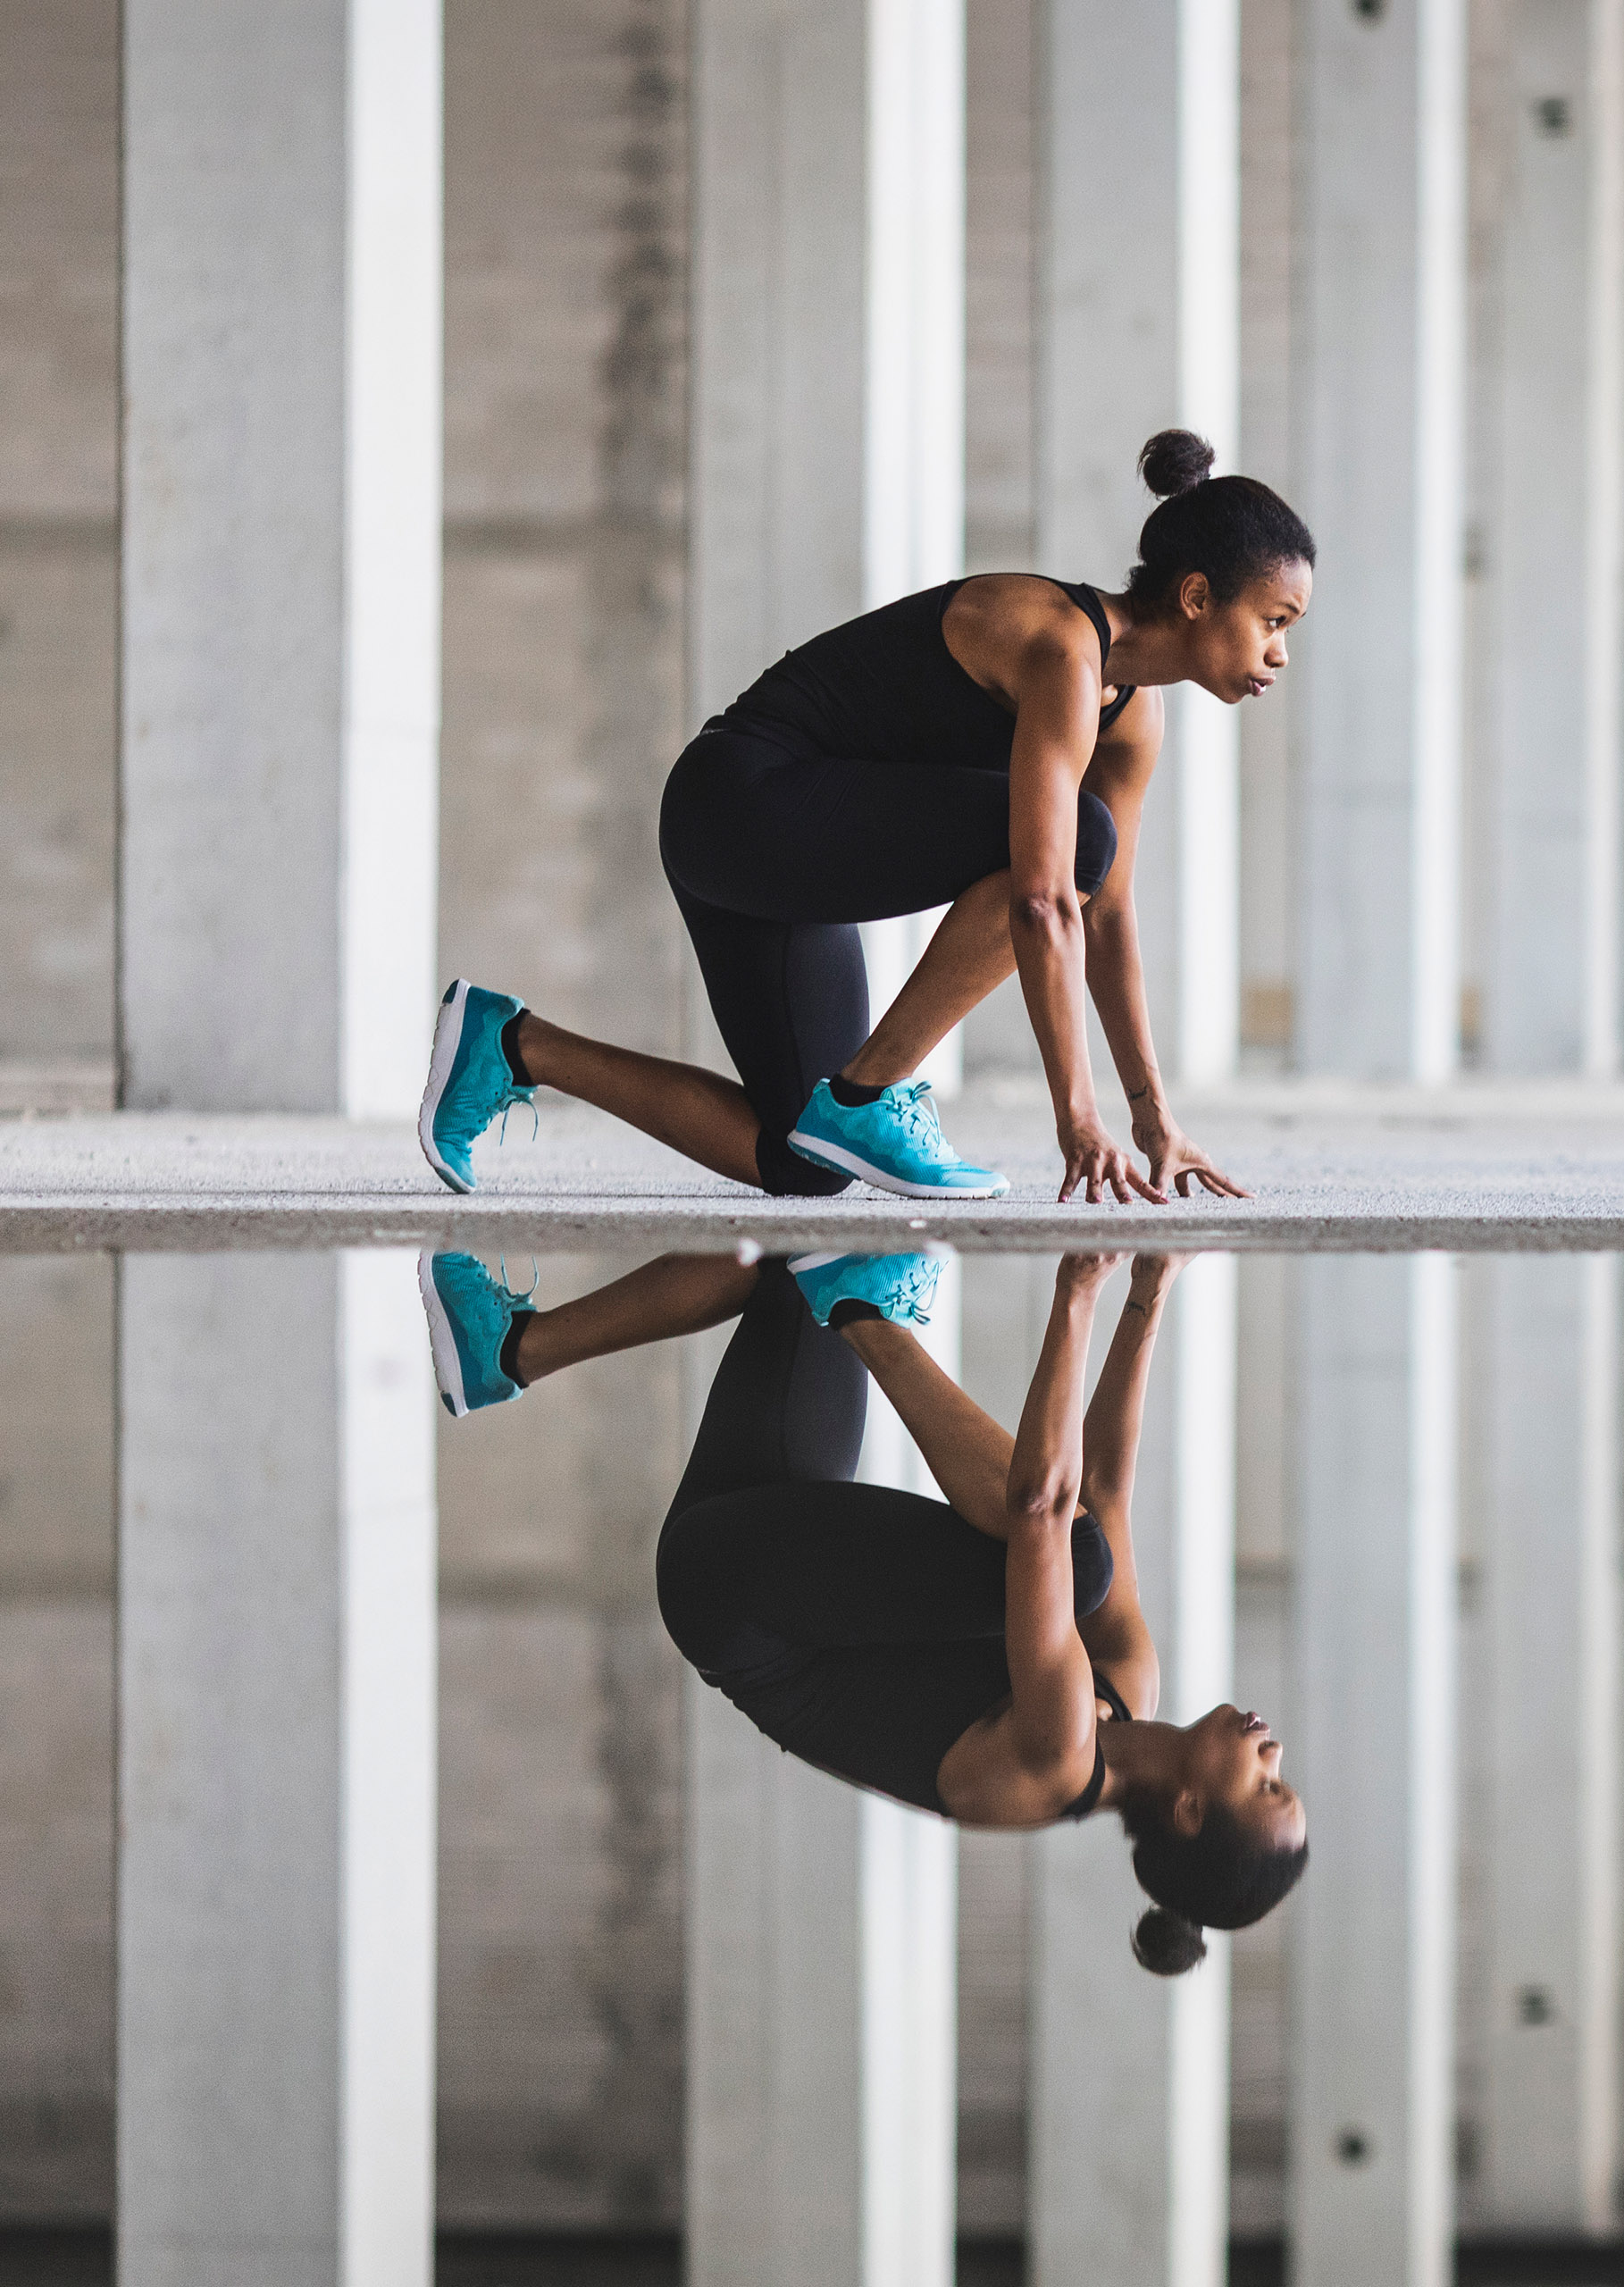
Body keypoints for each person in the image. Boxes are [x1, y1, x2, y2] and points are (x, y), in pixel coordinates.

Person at [416, 429, 1311, 1207]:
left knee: (803, 1159)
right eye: (1274, 619)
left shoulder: (1132, 715)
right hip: (739, 803)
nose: (1279, 651)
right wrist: (1076, 1117)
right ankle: (869, 1097)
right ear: (1197, 597)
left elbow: (1104, 912)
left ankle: (511, 1048)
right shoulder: (1061, 648)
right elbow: (1044, 898)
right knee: (1082, 840)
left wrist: (1152, 1116)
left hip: (795, 848)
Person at [422, 1244, 1306, 1972]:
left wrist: (1077, 1289)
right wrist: (1151, 1288)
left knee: (1071, 1560)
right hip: (769, 1548)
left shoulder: (1054, 1758)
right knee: (778, 1259)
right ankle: (506, 1350)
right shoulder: (1126, 1683)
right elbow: (1105, 1483)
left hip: (736, 1600)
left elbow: (1045, 1510)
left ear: (1190, 1810)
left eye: (1266, 1784)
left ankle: (860, 1304)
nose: (1273, 1751)